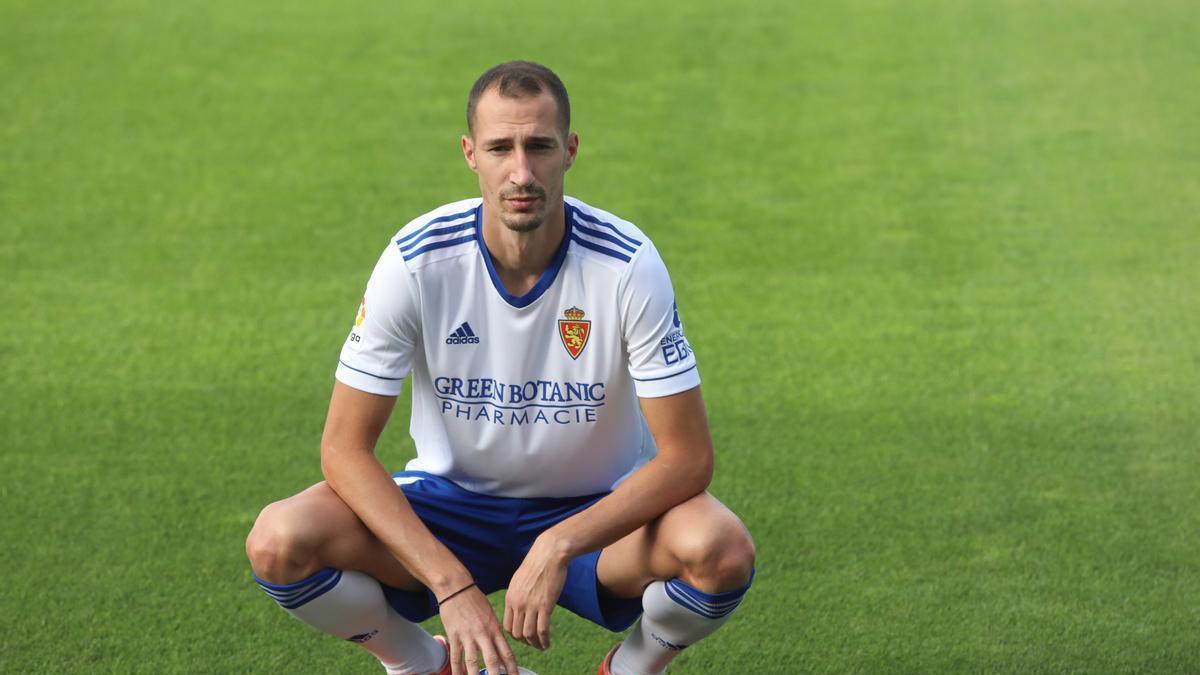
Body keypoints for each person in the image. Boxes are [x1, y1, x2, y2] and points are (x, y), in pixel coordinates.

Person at [245, 60, 756, 675]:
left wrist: (558, 543)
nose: (521, 172)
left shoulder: (627, 264)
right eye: (500, 147)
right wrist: (449, 583)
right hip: (449, 503)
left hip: (597, 512)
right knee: (279, 542)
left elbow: (688, 457)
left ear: (569, 150)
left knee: (721, 549)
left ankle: (629, 670)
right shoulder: (416, 260)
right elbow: (343, 449)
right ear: (470, 154)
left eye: (539, 146)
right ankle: (420, 664)